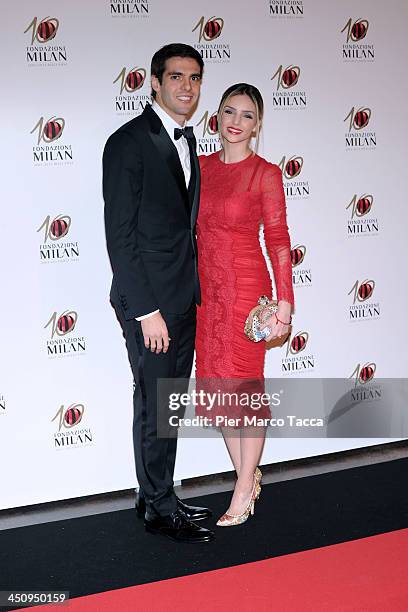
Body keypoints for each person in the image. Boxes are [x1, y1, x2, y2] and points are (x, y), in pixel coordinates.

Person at [103, 43, 214, 543]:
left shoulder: (188, 140)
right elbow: (119, 237)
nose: (186, 87)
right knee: (155, 402)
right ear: (153, 82)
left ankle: (155, 497)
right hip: (148, 303)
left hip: (181, 298)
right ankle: (159, 504)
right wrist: (147, 311)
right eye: (176, 77)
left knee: (167, 404)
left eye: (194, 78)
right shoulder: (128, 142)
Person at [195, 83, 294, 526]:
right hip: (204, 295)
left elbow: (277, 240)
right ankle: (247, 476)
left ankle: (242, 487)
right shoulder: (198, 168)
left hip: (246, 292)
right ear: (216, 115)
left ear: (258, 125)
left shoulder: (264, 173)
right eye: (229, 111)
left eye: (247, 115)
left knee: (245, 388)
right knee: (218, 389)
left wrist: (285, 302)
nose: (236, 122)